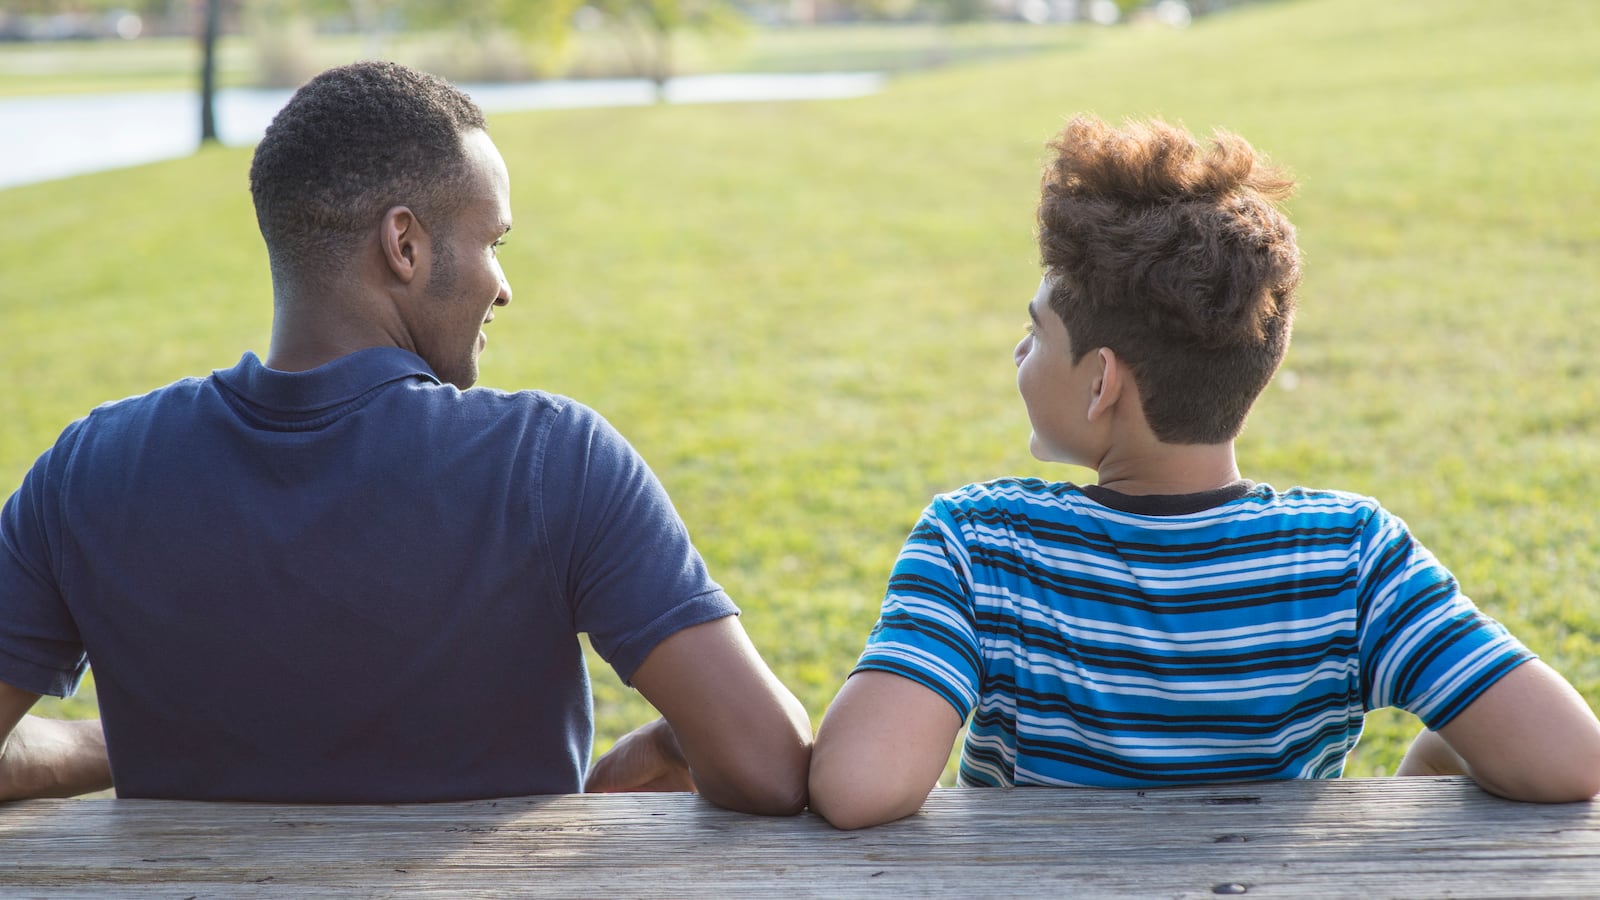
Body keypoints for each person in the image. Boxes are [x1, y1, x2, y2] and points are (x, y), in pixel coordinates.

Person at [0, 60, 811, 812]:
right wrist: (668, 740)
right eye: (493, 241)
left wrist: (113, 744)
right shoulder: (553, 461)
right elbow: (770, 766)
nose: (504, 288)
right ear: (405, 245)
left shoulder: (88, 471)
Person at [807, 114, 1600, 829]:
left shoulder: (982, 545)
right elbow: (1571, 760)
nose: (1020, 352)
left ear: (1101, 383)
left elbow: (857, 788)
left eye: (1036, 331)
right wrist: (1431, 761)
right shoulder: (1351, 552)